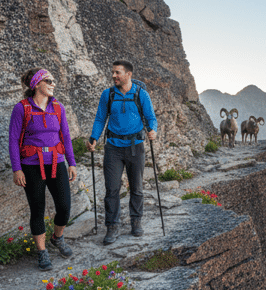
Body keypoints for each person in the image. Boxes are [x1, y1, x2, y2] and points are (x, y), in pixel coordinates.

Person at [9, 68, 77, 270]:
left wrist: (71, 162)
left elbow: (65, 135)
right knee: (37, 209)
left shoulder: (58, 108)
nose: (53, 83)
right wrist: (16, 168)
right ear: (36, 84)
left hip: (57, 162)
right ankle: (42, 252)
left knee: (64, 207)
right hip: (31, 165)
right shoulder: (21, 108)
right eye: (49, 80)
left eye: (54, 80)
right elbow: (13, 140)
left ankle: (57, 238)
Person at [87, 61, 157, 244]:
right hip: (113, 148)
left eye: (117, 72)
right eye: (113, 72)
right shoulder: (108, 94)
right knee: (112, 188)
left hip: (136, 147)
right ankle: (112, 226)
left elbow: (150, 117)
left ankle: (136, 222)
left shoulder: (141, 94)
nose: (114, 76)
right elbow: (100, 118)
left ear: (128, 74)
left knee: (137, 188)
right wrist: (93, 137)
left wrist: (153, 130)